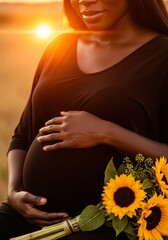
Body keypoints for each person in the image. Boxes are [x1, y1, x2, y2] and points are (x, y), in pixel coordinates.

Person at [0, 0, 168, 239]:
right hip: (28, 217)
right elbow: (22, 136)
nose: (84, 1)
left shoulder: (162, 56)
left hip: (111, 224)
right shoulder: (59, 46)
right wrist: (14, 192)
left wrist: (105, 132)